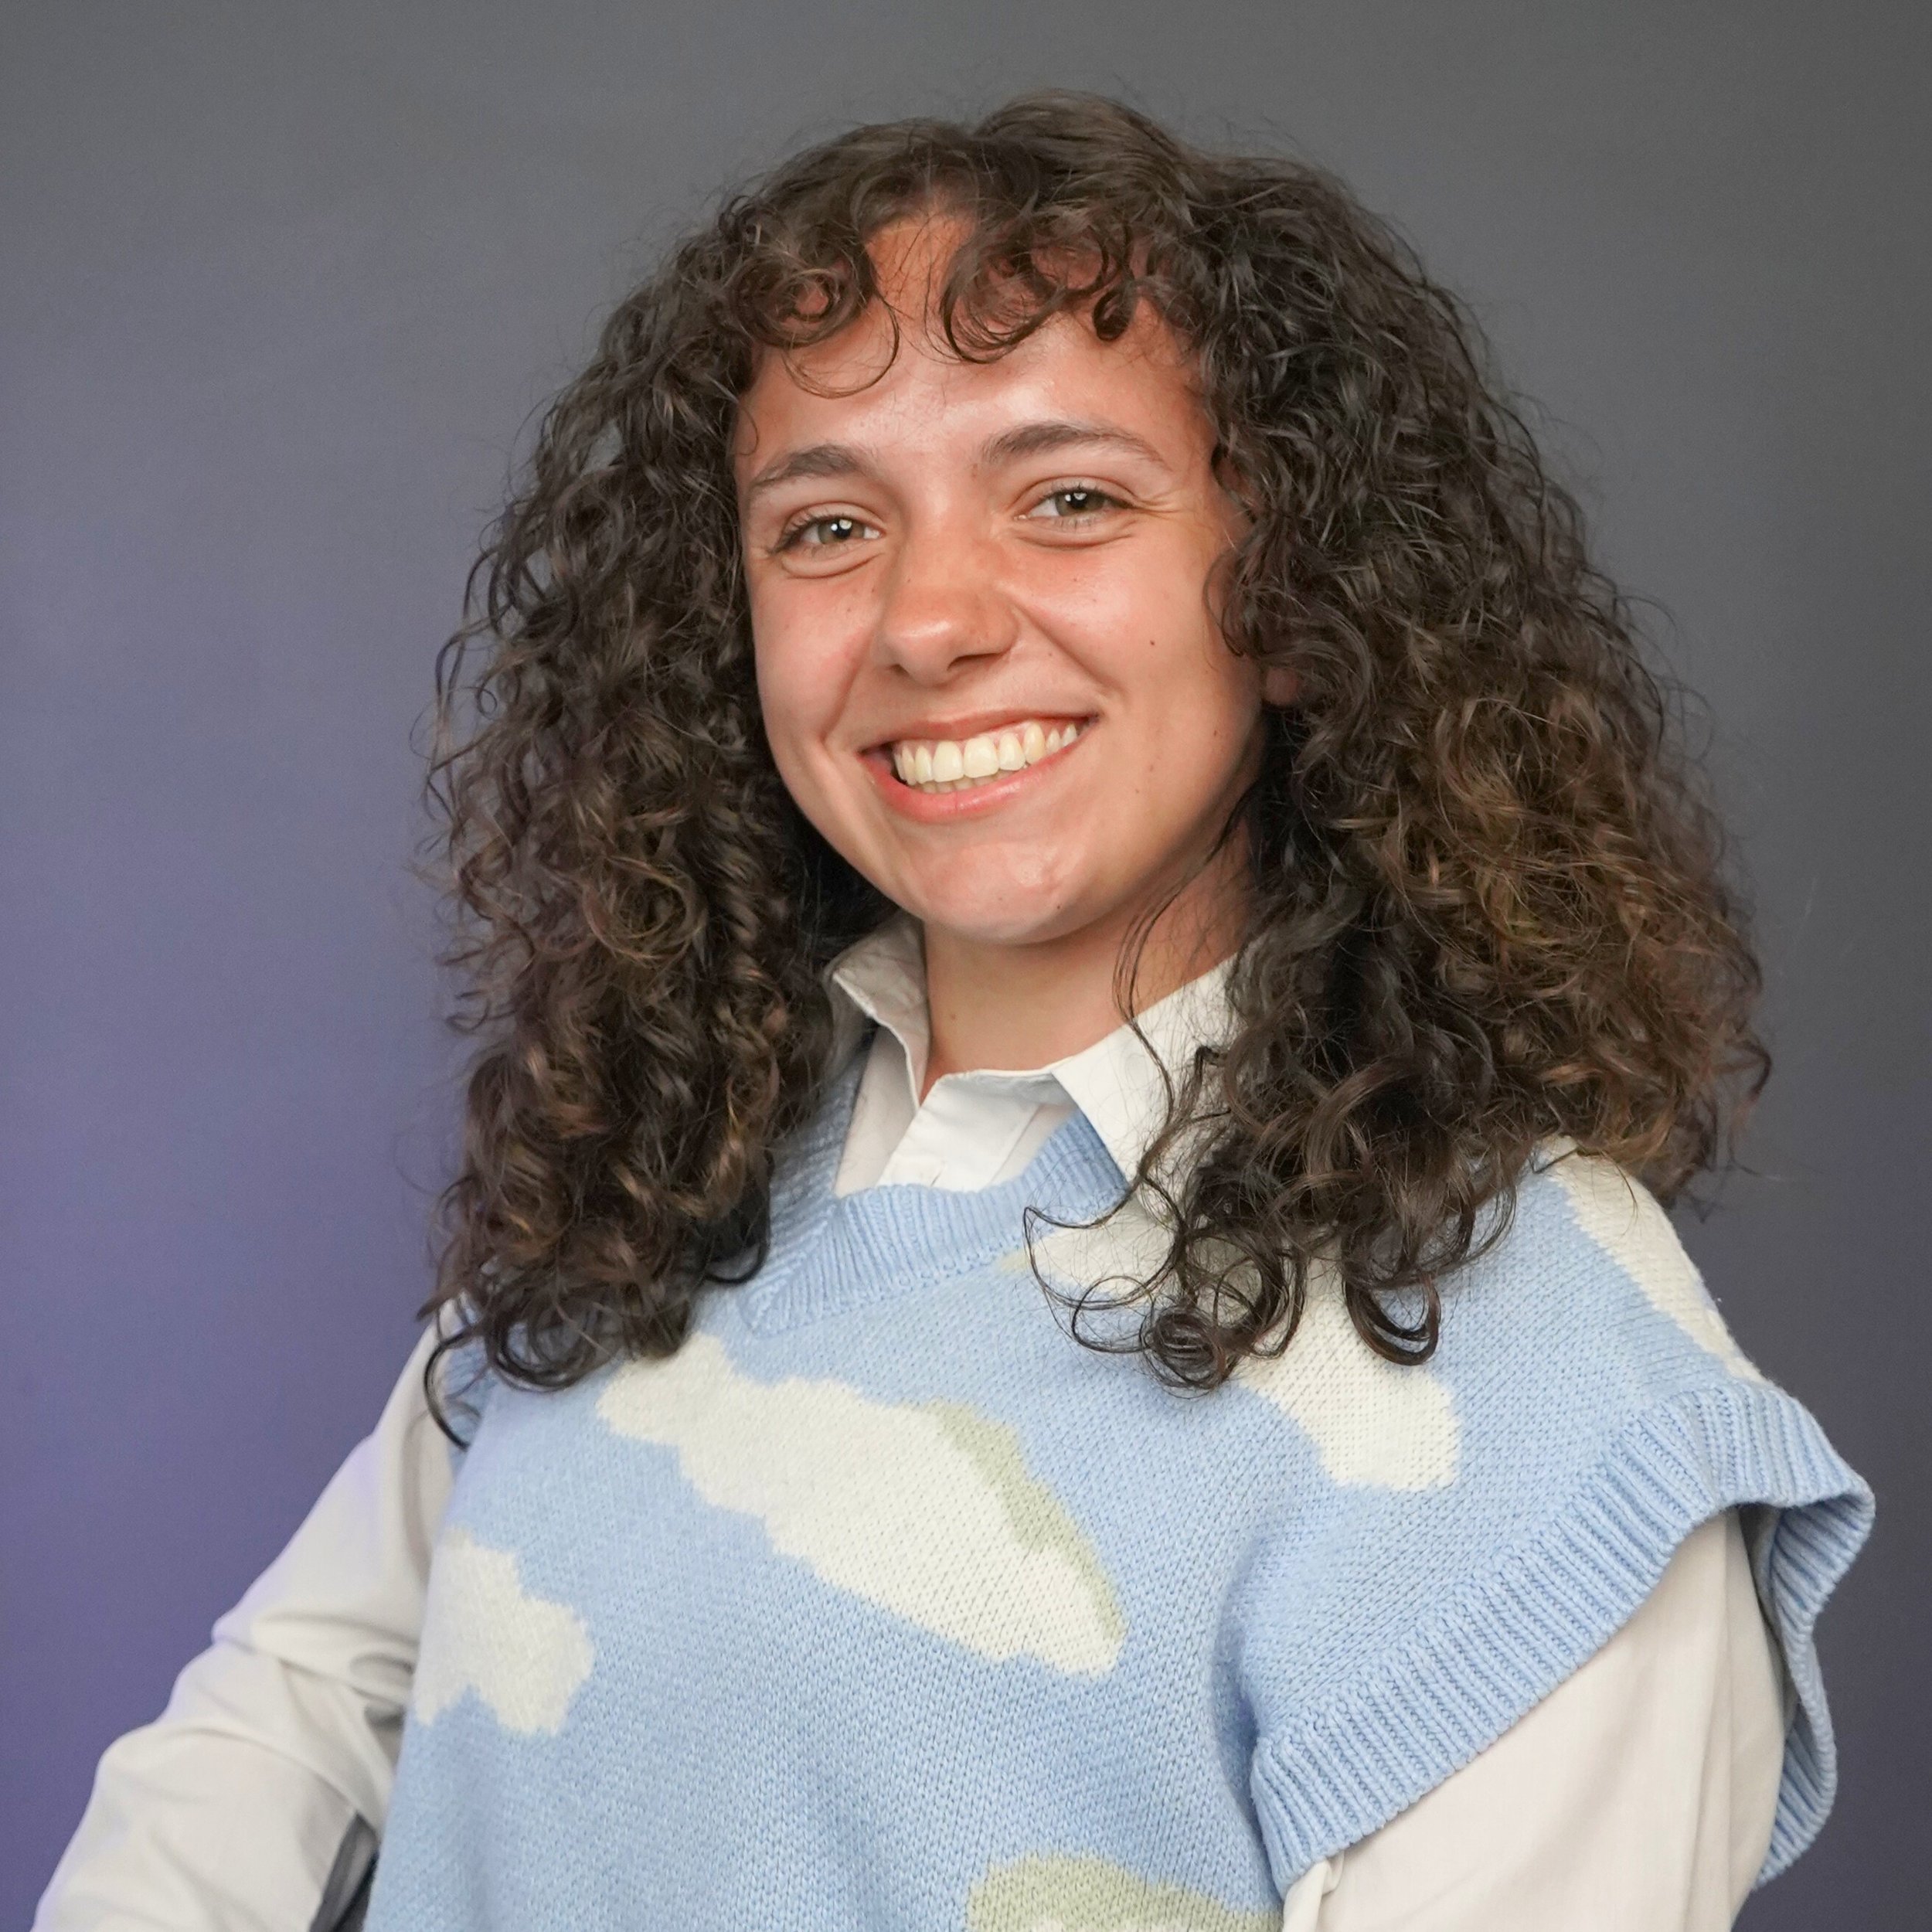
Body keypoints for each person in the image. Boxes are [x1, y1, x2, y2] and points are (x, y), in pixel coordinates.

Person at [39, 94, 1870, 1932]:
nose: (927, 618)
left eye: (1068, 497)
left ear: (1298, 594)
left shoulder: (1542, 1353)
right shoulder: (676, 1166)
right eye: (826, 524)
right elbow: (282, 1724)